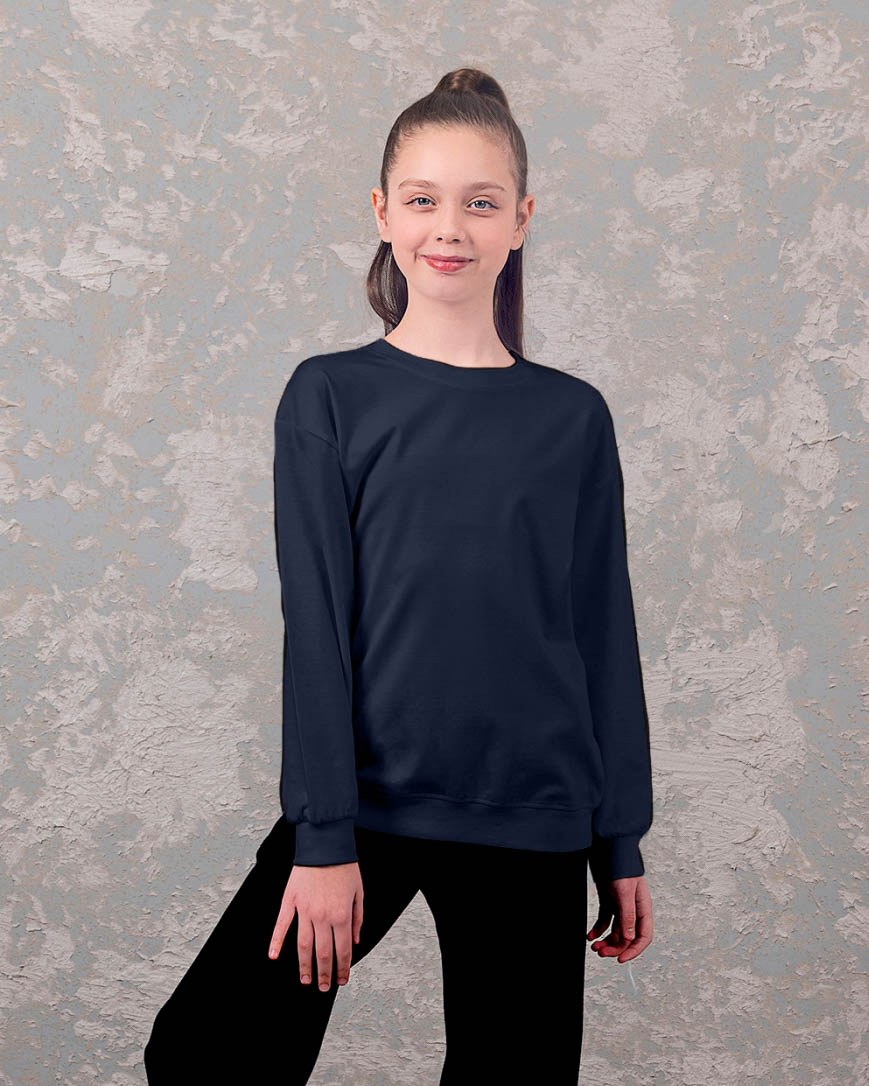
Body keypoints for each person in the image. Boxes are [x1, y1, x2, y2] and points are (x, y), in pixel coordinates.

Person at [144, 66, 654, 1085]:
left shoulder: (571, 418)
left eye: (480, 203)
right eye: (423, 200)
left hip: (533, 813)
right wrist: (322, 839)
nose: (448, 228)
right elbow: (317, 627)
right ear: (382, 213)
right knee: (206, 1054)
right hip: (368, 806)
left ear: (521, 219)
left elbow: (601, 631)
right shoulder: (329, 397)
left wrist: (620, 838)